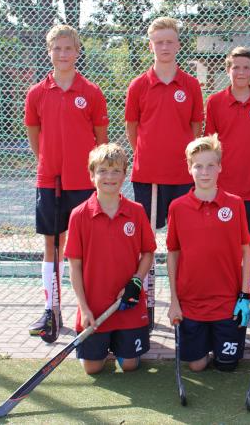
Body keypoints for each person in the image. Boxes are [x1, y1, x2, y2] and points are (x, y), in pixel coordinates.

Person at [24, 24, 109, 338]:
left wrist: (88, 172)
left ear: (77, 52)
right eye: (57, 49)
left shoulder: (92, 92)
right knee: (52, 244)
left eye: (68, 48)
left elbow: (101, 143)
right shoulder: (36, 93)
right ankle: (51, 309)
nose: (63, 54)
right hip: (50, 181)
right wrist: (48, 162)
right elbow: (35, 136)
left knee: (87, 246)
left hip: (83, 182)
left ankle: (89, 308)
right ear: (49, 52)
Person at [65, 143, 156, 374]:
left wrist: (137, 280)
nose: (109, 177)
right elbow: (74, 266)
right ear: (92, 175)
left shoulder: (136, 211)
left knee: (129, 365)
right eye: (103, 171)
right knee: (92, 368)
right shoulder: (79, 215)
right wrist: (84, 308)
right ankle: (101, 349)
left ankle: (119, 347)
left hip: (128, 304)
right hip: (95, 308)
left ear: (124, 175)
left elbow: (148, 252)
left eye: (116, 171)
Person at [166, 135, 250, 372]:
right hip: (191, 303)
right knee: (196, 366)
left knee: (227, 365)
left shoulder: (235, 203)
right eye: (198, 166)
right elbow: (173, 253)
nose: (204, 172)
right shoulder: (177, 207)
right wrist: (174, 301)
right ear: (189, 168)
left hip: (227, 303)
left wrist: (245, 296)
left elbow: (246, 251)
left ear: (220, 167)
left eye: (211, 165)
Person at [205, 47, 250, 326]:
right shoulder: (215, 102)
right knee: (224, 244)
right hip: (224, 189)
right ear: (228, 70)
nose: (241, 72)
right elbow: (210, 147)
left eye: (246, 67)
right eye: (236, 67)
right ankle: (226, 297)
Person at [125, 16, 204, 229]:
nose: (165, 47)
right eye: (159, 42)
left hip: (182, 172)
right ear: (150, 46)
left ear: (178, 45)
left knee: (183, 232)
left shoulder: (191, 84)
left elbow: (196, 126)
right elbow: (131, 127)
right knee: (147, 233)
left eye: (170, 42)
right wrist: (146, 154)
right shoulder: (138, 85)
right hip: (148, 173)